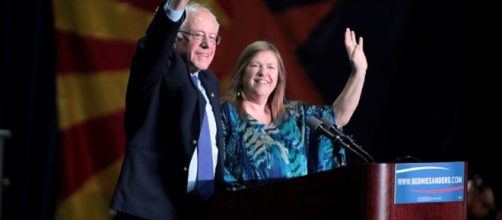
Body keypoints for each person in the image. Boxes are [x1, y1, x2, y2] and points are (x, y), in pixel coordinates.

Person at [110, 0, 224, 219]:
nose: (207, 45)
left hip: (199, 210)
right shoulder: (158, 70)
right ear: (176, 38)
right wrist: (176, 6)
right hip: (151, 208)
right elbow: (156, 44)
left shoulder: (210, 83)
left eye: (212, 37)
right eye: (199, 35)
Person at [221, 28, 368, 190]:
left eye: (271, 67)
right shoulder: (225, 113)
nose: (263, 73)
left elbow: (337, 116)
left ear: (279, 77)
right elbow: (216, 172)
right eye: (255, 65)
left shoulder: (294, 115)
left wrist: (358, 73)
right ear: (242, 73)